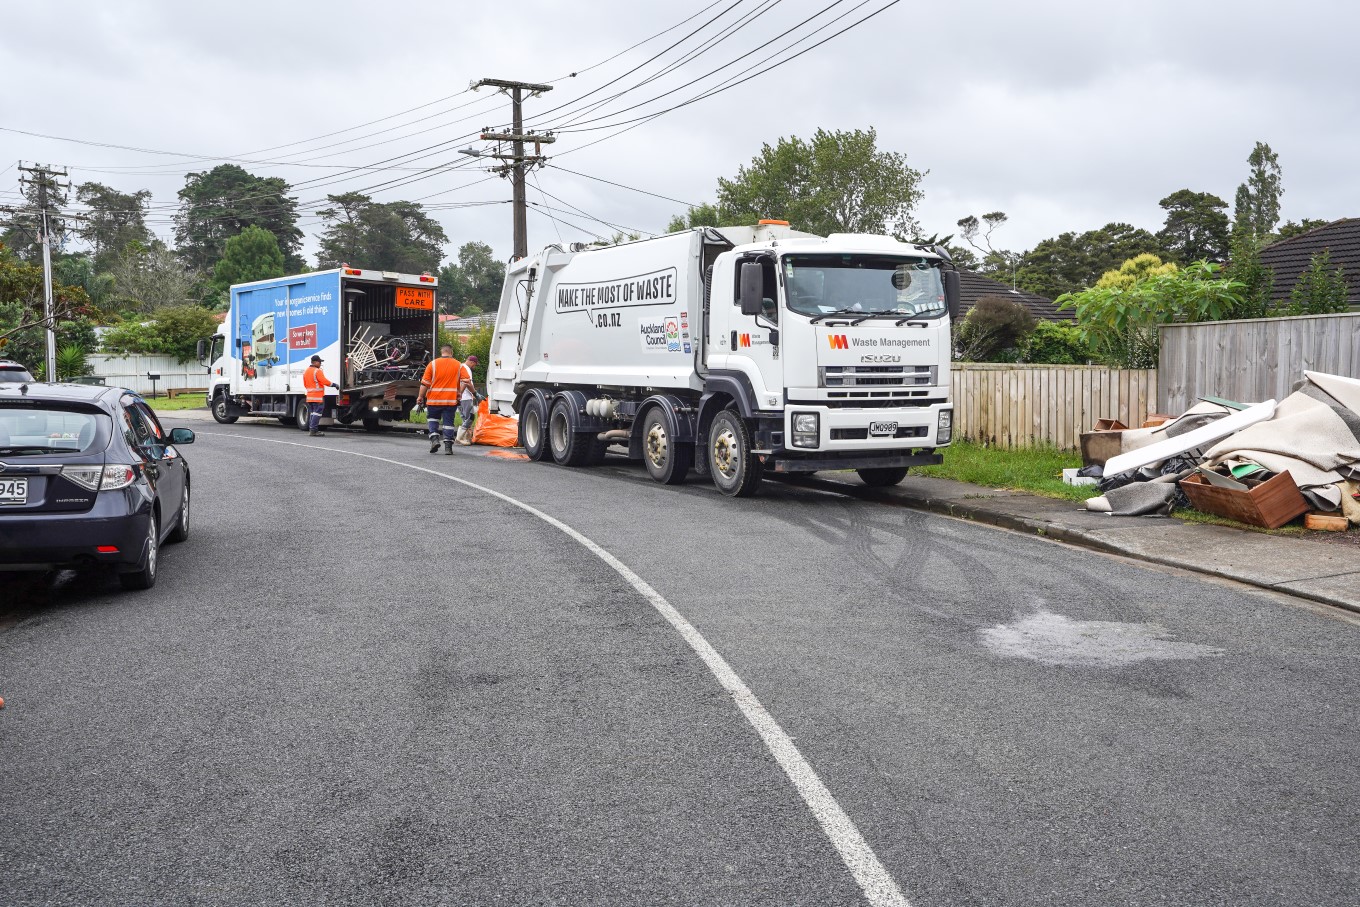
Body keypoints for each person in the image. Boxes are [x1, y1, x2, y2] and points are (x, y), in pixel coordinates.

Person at [417, 345, 463, 455]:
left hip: (434, 400)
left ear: (442, 352)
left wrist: (420, 396)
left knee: (433, 420)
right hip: (450, 401)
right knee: (448, 423)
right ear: (451, 352)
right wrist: (459, 393)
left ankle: (434, 439)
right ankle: (448, 447)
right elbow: (466, 381)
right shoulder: (459, 365)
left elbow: (425, 384)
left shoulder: (432, 364)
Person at [301, 355, 338, 436]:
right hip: (317, 397)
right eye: (320, 362)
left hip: (309, 397)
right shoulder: (317, 371)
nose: (320, 364)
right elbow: (324, 381)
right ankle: (313, 430)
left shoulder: (306, 371)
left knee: (313, 413)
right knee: (317, 413)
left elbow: (305, 384)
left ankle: (312, 429)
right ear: (316, 362)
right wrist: (334, 385)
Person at [457, 354, 480, 444]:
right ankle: (460, 437)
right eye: (475, 364)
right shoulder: (466, 368)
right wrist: (474, 393)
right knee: (470, 417)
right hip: (465, 397)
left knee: (465, 418)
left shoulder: (461, 366)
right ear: (471, 362)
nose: (474, 366)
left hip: (460, 397)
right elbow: (467, 382)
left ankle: (466, 438)